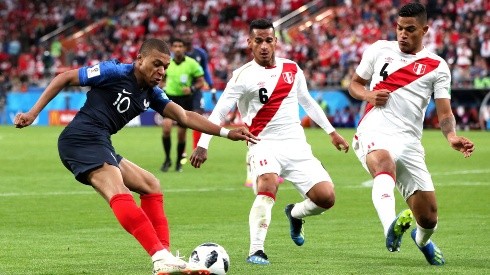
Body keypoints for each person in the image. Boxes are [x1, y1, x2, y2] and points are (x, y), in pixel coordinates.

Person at [14, 38, 257, 275]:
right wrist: (34, 113)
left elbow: (184, 116)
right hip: (80, 139)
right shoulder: (114, 71)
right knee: (119, 191)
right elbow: (65, 77)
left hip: (99, 141)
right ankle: (160, 257)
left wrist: (227, 132)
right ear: (139, 59)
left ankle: (164, 256)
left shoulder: (152, 93)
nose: (161, 71)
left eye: (165, 67)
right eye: (157, 64)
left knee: (151, 185)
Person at [190, 18, 350, 265]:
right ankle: (257, 250)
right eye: (258, 41)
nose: (264, 46)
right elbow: (219, 113)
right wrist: (203, 144)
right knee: (268, 184)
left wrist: (331, 131)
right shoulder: (242, 76)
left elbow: (307, 101)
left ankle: (294, 214)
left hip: (296, 144)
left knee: (326, 198)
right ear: (249, 43)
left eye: (268, 40)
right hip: (262, 142)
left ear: (275, 41)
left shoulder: (292, 69)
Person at [348, 2, 475, 266]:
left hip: (409, 141)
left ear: (425, 30)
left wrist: (451, 137)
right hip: (375, 128)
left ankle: (423, 240)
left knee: (428, 218)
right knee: (383, 164)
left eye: (410, 29)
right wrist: (369, 95)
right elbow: (355, 85)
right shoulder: (379, 49)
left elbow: (444, 113)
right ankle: (389, 228)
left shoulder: (437, 67)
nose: (402, 34)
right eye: (399, 28)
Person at [160, 37, 205, 172]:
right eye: (176, 46)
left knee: (181, 134)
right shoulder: (167, 63)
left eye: (181, 46)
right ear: (172, 48)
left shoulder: (192, 64)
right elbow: (162, 79)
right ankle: (167, 159)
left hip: (185, 100)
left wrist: (191, 89)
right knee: (166, 128)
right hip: (170, 99)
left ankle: (178, 162)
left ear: (184, 48)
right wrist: (162, 86)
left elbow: (201, 81)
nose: (178, 49)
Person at [181, 28, 216, 153]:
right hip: (182, 92)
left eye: (189, 34)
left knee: (197, 118)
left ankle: (196, 148)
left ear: (193, 36)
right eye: (185, 34)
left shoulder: (200, 53)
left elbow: (205, 71)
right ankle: (182, 151)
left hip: (196, 91)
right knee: (182, 121)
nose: (187, 37)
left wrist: (212, 88)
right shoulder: (179, 54)